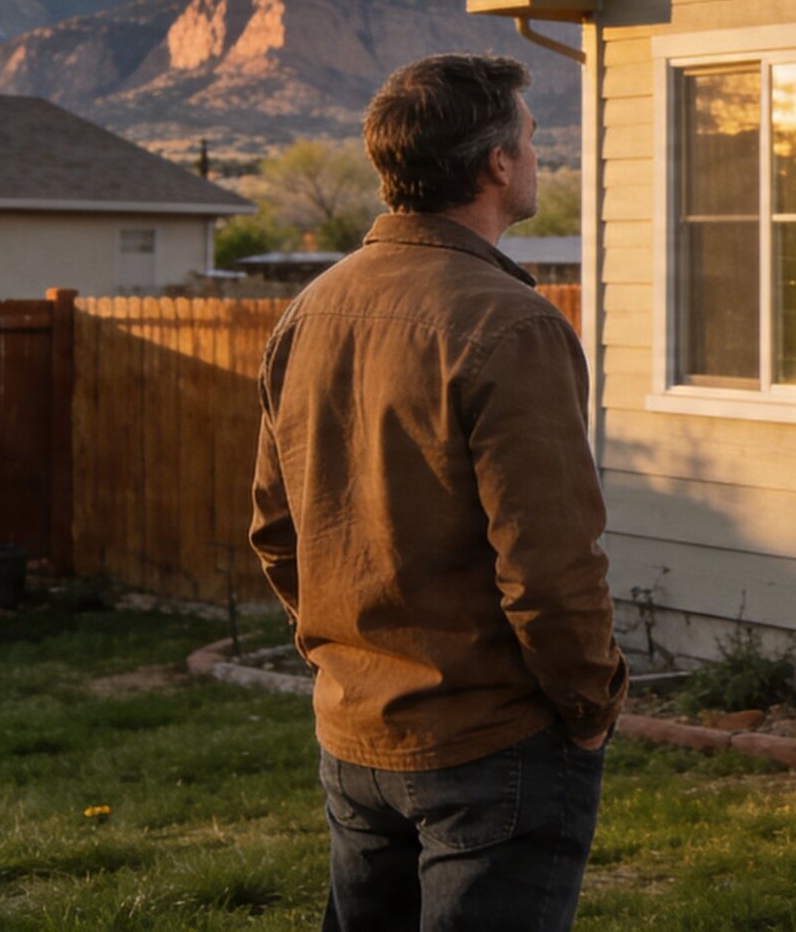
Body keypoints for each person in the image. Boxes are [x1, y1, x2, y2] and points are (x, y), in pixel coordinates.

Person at [250, 53, 626, 932]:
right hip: (490, 743)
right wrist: (588, 709)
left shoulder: (310, 308)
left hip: (355, 730)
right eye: (531, 139)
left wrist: (339, 662)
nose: (538, 156)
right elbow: (552, 566)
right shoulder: (511, 322)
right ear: (496, 163)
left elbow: (276, 531)